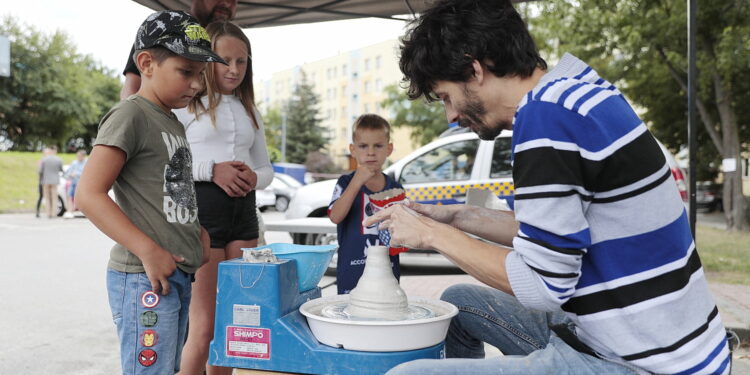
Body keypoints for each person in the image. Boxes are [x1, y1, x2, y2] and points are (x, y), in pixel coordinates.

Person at [367, 1, 731, 374]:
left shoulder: (545, 118)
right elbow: (560, 235)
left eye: (446, 97)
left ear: (474, 68)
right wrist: (456, 216)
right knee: (459, 302)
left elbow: (542, 285)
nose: (452, 117)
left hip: (643, 362)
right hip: (673, 343)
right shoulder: (577, 91)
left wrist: (432, 235)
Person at [75, 11, 224, 374]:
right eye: (186, 72)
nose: (197, 85)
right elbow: (88, 195)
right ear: (146, 63)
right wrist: (148, 249)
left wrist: (196, 231)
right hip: (143, 275)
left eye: (201, 75)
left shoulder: (171, 121)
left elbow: (170, 192)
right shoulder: (131, 116)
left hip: (176, 272)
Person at [174, 20, 273, 375]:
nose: (234, 69)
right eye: (225, 60)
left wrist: (253, 177)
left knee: (234, 326)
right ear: (207, 59)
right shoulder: (186, 106)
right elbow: (168, 166)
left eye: (242, 62)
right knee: (203, 326)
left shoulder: (250, 110)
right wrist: (212, 170)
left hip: (244, 218)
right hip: (204, 217)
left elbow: (266, 169)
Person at [328, 114, 403, 294]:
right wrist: (356, 182)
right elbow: (335, 216)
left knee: (385, 314)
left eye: (378, 146)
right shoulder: (345, 182)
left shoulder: (396, 188)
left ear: (389, 149)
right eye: (363, 146)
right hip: (352, 270)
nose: (370, 152)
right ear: (353, 150)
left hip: (387, 271)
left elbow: (402, 229)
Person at [120, 0, 238, 100]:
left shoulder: (236, 43)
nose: (227, 3)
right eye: (186, 71)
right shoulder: (164, 28)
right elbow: (131, 91)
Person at [38, 145, 63, 218]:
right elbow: (61, 169)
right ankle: (54, 213)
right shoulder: (59, 159)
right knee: (54, 198)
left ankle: (48, 213)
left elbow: (40, 171)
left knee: (47, 198)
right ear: (55, 151)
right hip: (55, 181)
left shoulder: (44, 159)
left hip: (45, 180)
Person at [62, 149, 87, 218]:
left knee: (82, 198)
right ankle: (70, 211)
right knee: (70, 196)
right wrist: (70, 175)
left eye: (80, 156)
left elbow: (86, 173)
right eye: (77, 156)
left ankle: (85, 211)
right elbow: (68, 172)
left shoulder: (86, 162)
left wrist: (77, 174)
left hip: (82, 184)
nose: (78, 157)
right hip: (74, 182)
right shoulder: (74, 163)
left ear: (83, 156)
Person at [35, 147, 51, 218]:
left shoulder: (50, 160)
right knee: (41, 196)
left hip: (49, 181)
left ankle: (49, 212)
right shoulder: (42, 161)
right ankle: (37, 211)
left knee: (49, 197)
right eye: (46, 153)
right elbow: (39, 172)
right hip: (42, 182)